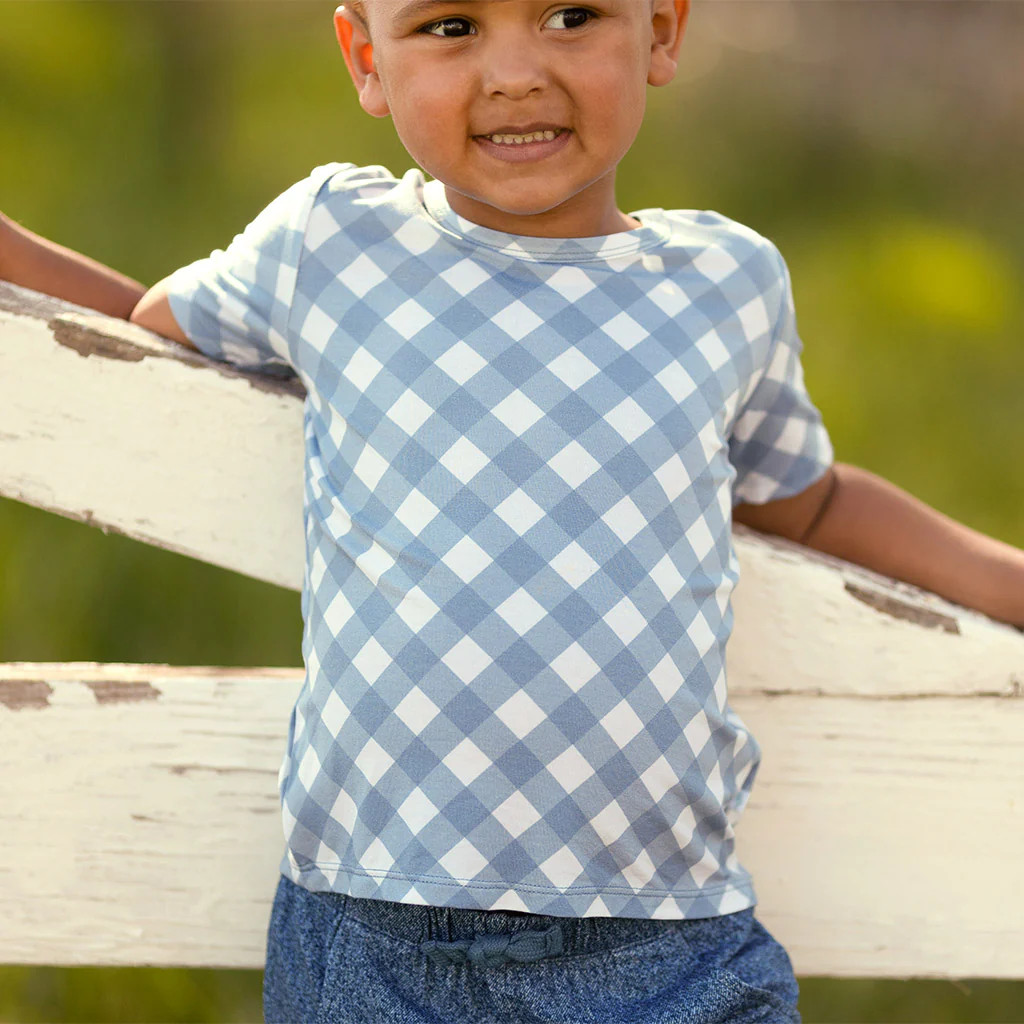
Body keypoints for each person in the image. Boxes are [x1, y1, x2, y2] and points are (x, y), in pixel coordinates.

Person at [1, 2, 1022, 1021]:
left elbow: (809, 500)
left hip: (668, 946)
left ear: (661, 33)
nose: (515, 73)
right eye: (450, 27)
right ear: (365, 58)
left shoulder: (724, 284)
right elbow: (143, 330)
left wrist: (1002, 578)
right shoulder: (334, 242)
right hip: (376, 940)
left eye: (570, 15)